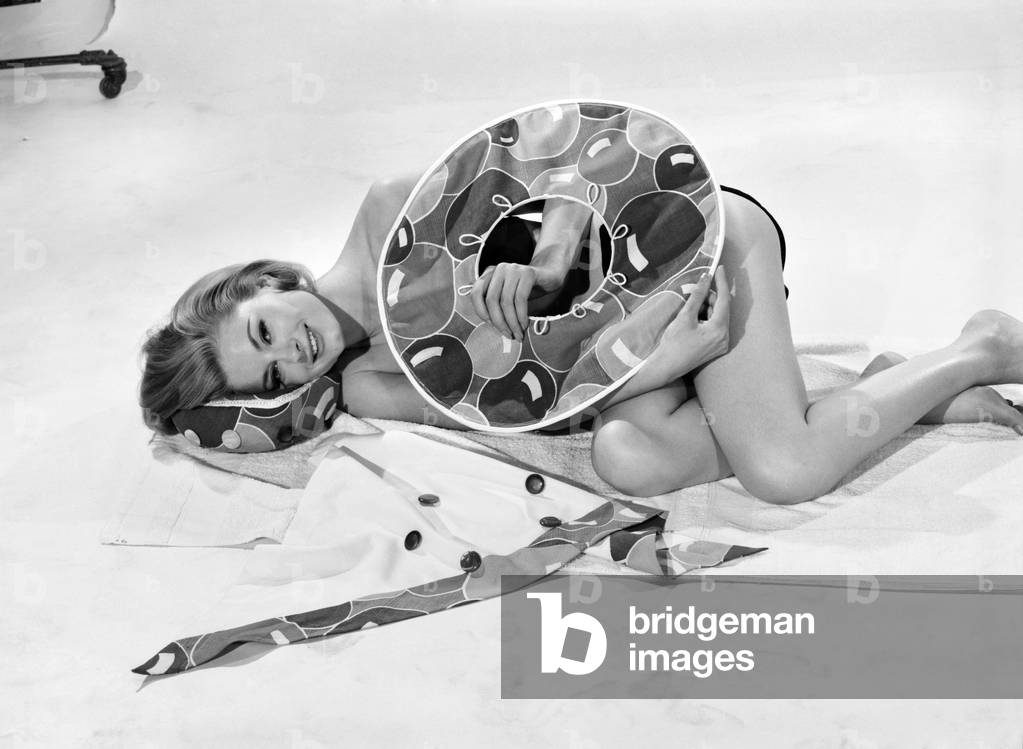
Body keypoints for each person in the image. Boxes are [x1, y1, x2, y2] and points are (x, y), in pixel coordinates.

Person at [139, 172, 1023, 504]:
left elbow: (580, 173)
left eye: (262, 328)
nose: (287, 354)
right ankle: (883, 393)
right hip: (637, 361)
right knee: (627, 459)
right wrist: (666, 361)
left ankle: (979, 348)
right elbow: (529, 412)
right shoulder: (370, 384)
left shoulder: (386, 214)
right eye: (264, 378)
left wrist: (551, 262)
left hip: (684, 249)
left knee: (781, 472)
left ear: (265, 283)